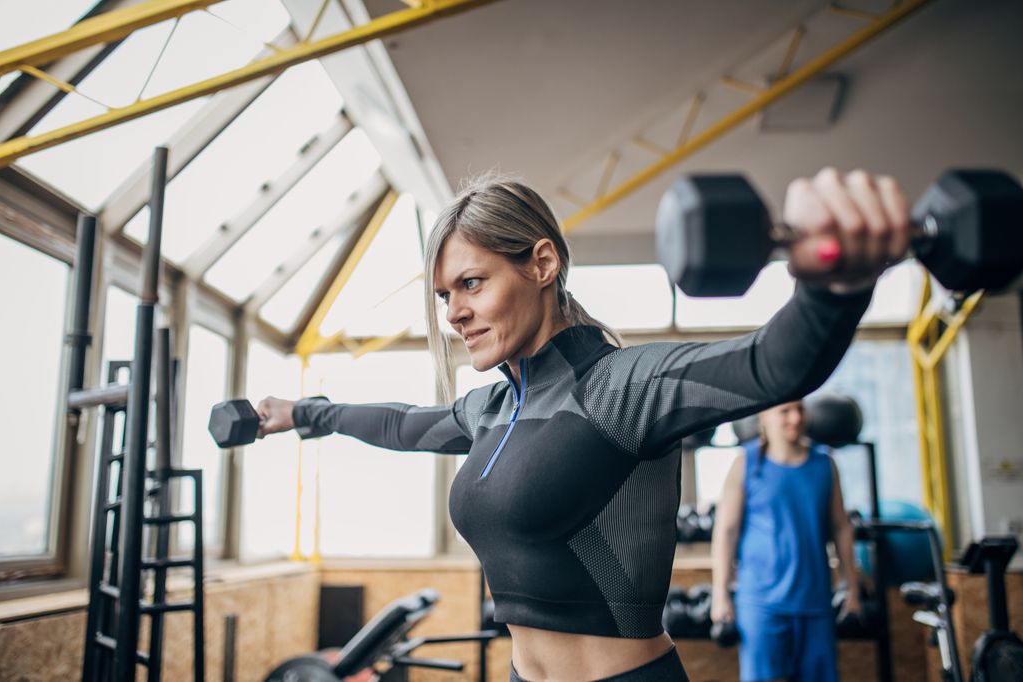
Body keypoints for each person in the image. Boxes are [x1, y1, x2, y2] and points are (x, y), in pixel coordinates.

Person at [255, 167, 909, 681]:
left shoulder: (623, 389)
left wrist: (835, 290)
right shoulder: (493, 409)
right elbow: (400, 424)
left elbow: (773, 364)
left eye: (473, 283)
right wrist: (302, 414)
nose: (455, 312)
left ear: (542, 264)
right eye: (445, 295)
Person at [710, 399, 861, 682]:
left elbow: (841, 528)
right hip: (761, 604)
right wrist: (720, 595)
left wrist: (850, 587)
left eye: (800, 409)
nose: (795, 418)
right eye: (785, 411)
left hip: (814, 602)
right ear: (765, 417)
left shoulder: (825, 463)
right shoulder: (746, 464)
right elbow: (726, 531)